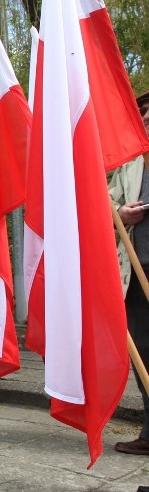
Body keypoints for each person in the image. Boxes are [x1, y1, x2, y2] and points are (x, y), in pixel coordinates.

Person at [108, 89, 149, 456]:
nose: (148, 118)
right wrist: (119, 213)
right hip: (138, 270)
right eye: (144, 113)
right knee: (145, 351)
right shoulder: (130, 160)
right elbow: (102, 198)